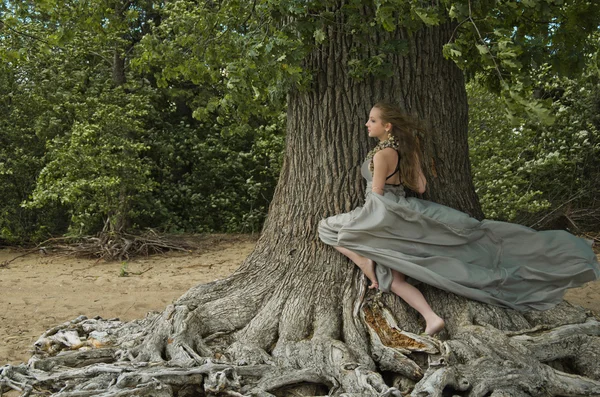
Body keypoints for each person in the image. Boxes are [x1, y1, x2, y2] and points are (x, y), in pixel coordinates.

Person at [318, 101, 600, 336]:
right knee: (400, 273)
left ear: (387, 126)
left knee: (327, 228)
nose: (367, 124)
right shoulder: (403, 151)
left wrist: (362, 227)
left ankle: (366, 261)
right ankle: (430, 317)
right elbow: (421, 187)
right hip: (404, 209)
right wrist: (412, 159)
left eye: (372, 120)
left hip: (385, 214)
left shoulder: (381, 155)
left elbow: (377, 196)